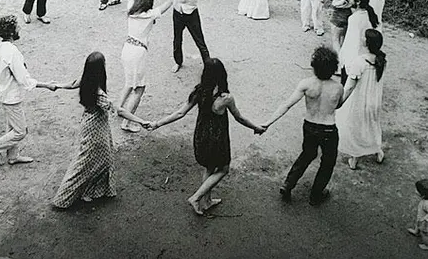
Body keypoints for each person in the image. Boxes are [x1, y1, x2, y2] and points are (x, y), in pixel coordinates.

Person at [147, 58, 265, 215]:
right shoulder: (225, 98)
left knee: (210, 167)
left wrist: (157, 123)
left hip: (201, 136)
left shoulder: (199, 92)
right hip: (217, 139)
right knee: (223, 169)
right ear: (223, 75)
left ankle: (207, 201)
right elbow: (239, 118)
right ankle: (196, 197)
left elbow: (180, 113)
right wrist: (256, 127)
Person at [52, 52, 150, 208]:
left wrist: (56, 85)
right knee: (89, 161)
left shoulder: (85, 80)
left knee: (99, 158)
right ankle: (64, 197)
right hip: (96, 128)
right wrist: (141, 121)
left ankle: (90, 191)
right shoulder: (99, 93)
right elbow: (120, 111)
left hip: (90, 124)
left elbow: (71, 84)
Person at [262, 46, 344, 206]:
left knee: (307, 154)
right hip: (328, 128)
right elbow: (338, 105)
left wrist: (268, 122)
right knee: (328, 162)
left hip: (310, 126)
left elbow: (287, 105)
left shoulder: (306, 84)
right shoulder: (338, 87)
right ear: (333, 68)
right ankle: (316, 194)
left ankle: (288, 184)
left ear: (314, 66)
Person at [0, 15, 56, 165]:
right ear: (11, 32)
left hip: (5, 95)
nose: (19, 28)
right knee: (20, 131)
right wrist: (47, 85)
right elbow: (24, 80)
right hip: (12, 97)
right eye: (17, 27)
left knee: (12, 126)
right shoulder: (13, 52)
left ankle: (13, 156)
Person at [119, 0, 173, 132]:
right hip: (138, 53)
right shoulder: (149, 15)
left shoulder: (131, 10)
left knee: (129, 83)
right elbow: (170, 2)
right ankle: (127, 122)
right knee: (139, 88)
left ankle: (118, 109)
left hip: (126, 49)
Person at [337, 29, 386, 170]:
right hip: (374, 100)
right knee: (372, 125)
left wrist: (340, 102)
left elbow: (349, 87)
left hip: (360, 101)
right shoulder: (381, 60)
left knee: (357, 128)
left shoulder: (360, 61)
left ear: (367, 42)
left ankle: (355, 158)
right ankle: (378, 151)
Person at [338, 0, 379, 83]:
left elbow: (352, 41)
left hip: (353, 57)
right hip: (363, 55)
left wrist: (344, 57)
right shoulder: (368, 15)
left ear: (358, 2)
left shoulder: (354, 19)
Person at [408, 179, 428, 250]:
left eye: (417, 190)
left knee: (425, 234)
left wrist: (425, 220)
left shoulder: (426, 203)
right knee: (418, 224)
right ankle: (416, 232)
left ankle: (426, 245)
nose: (416, 191)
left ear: (423, 195)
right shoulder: (425, 200)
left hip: (425, 223)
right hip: (421, 219)